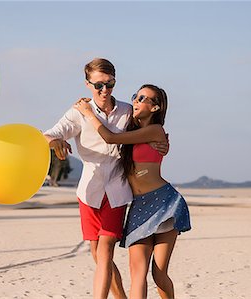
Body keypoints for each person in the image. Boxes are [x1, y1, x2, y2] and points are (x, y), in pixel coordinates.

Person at [43, 58, 168, 299]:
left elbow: (146, 127)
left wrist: (162, 142)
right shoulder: (78, 112)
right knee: (97, 254)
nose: (104, 90)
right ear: (87, 83)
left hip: (118, 189)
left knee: (106, 249)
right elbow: (49, 133)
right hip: (89, 192)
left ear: (114, 82)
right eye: (98, 85)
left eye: (109, 84)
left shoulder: (127, 111)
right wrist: (54, 141)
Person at [74, 84, 191, 299]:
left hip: (164, 203)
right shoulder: (130, 131)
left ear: (155, 108)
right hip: (138, 207)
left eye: (143, 98)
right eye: (135, 97)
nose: (136, 101)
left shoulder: (155, 131)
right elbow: (110, 129)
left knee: (158, 273)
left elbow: (109, 137)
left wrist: (89, 113)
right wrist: (92, 104)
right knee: (137, 274)